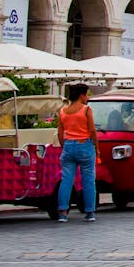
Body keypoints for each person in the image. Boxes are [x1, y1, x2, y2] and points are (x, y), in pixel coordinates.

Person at [56, 84, 98, 223]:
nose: (88, 97)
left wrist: (65, 146)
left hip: (68, 145)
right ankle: (89, 212)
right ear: (81, 95)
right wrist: (96, 147)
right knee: (88, 181)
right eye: (86, 94)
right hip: (84, 145)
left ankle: (62, 212)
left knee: (66, 180)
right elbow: (92, 130)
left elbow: (60, 133)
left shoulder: (62, 111)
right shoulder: (86, 110)